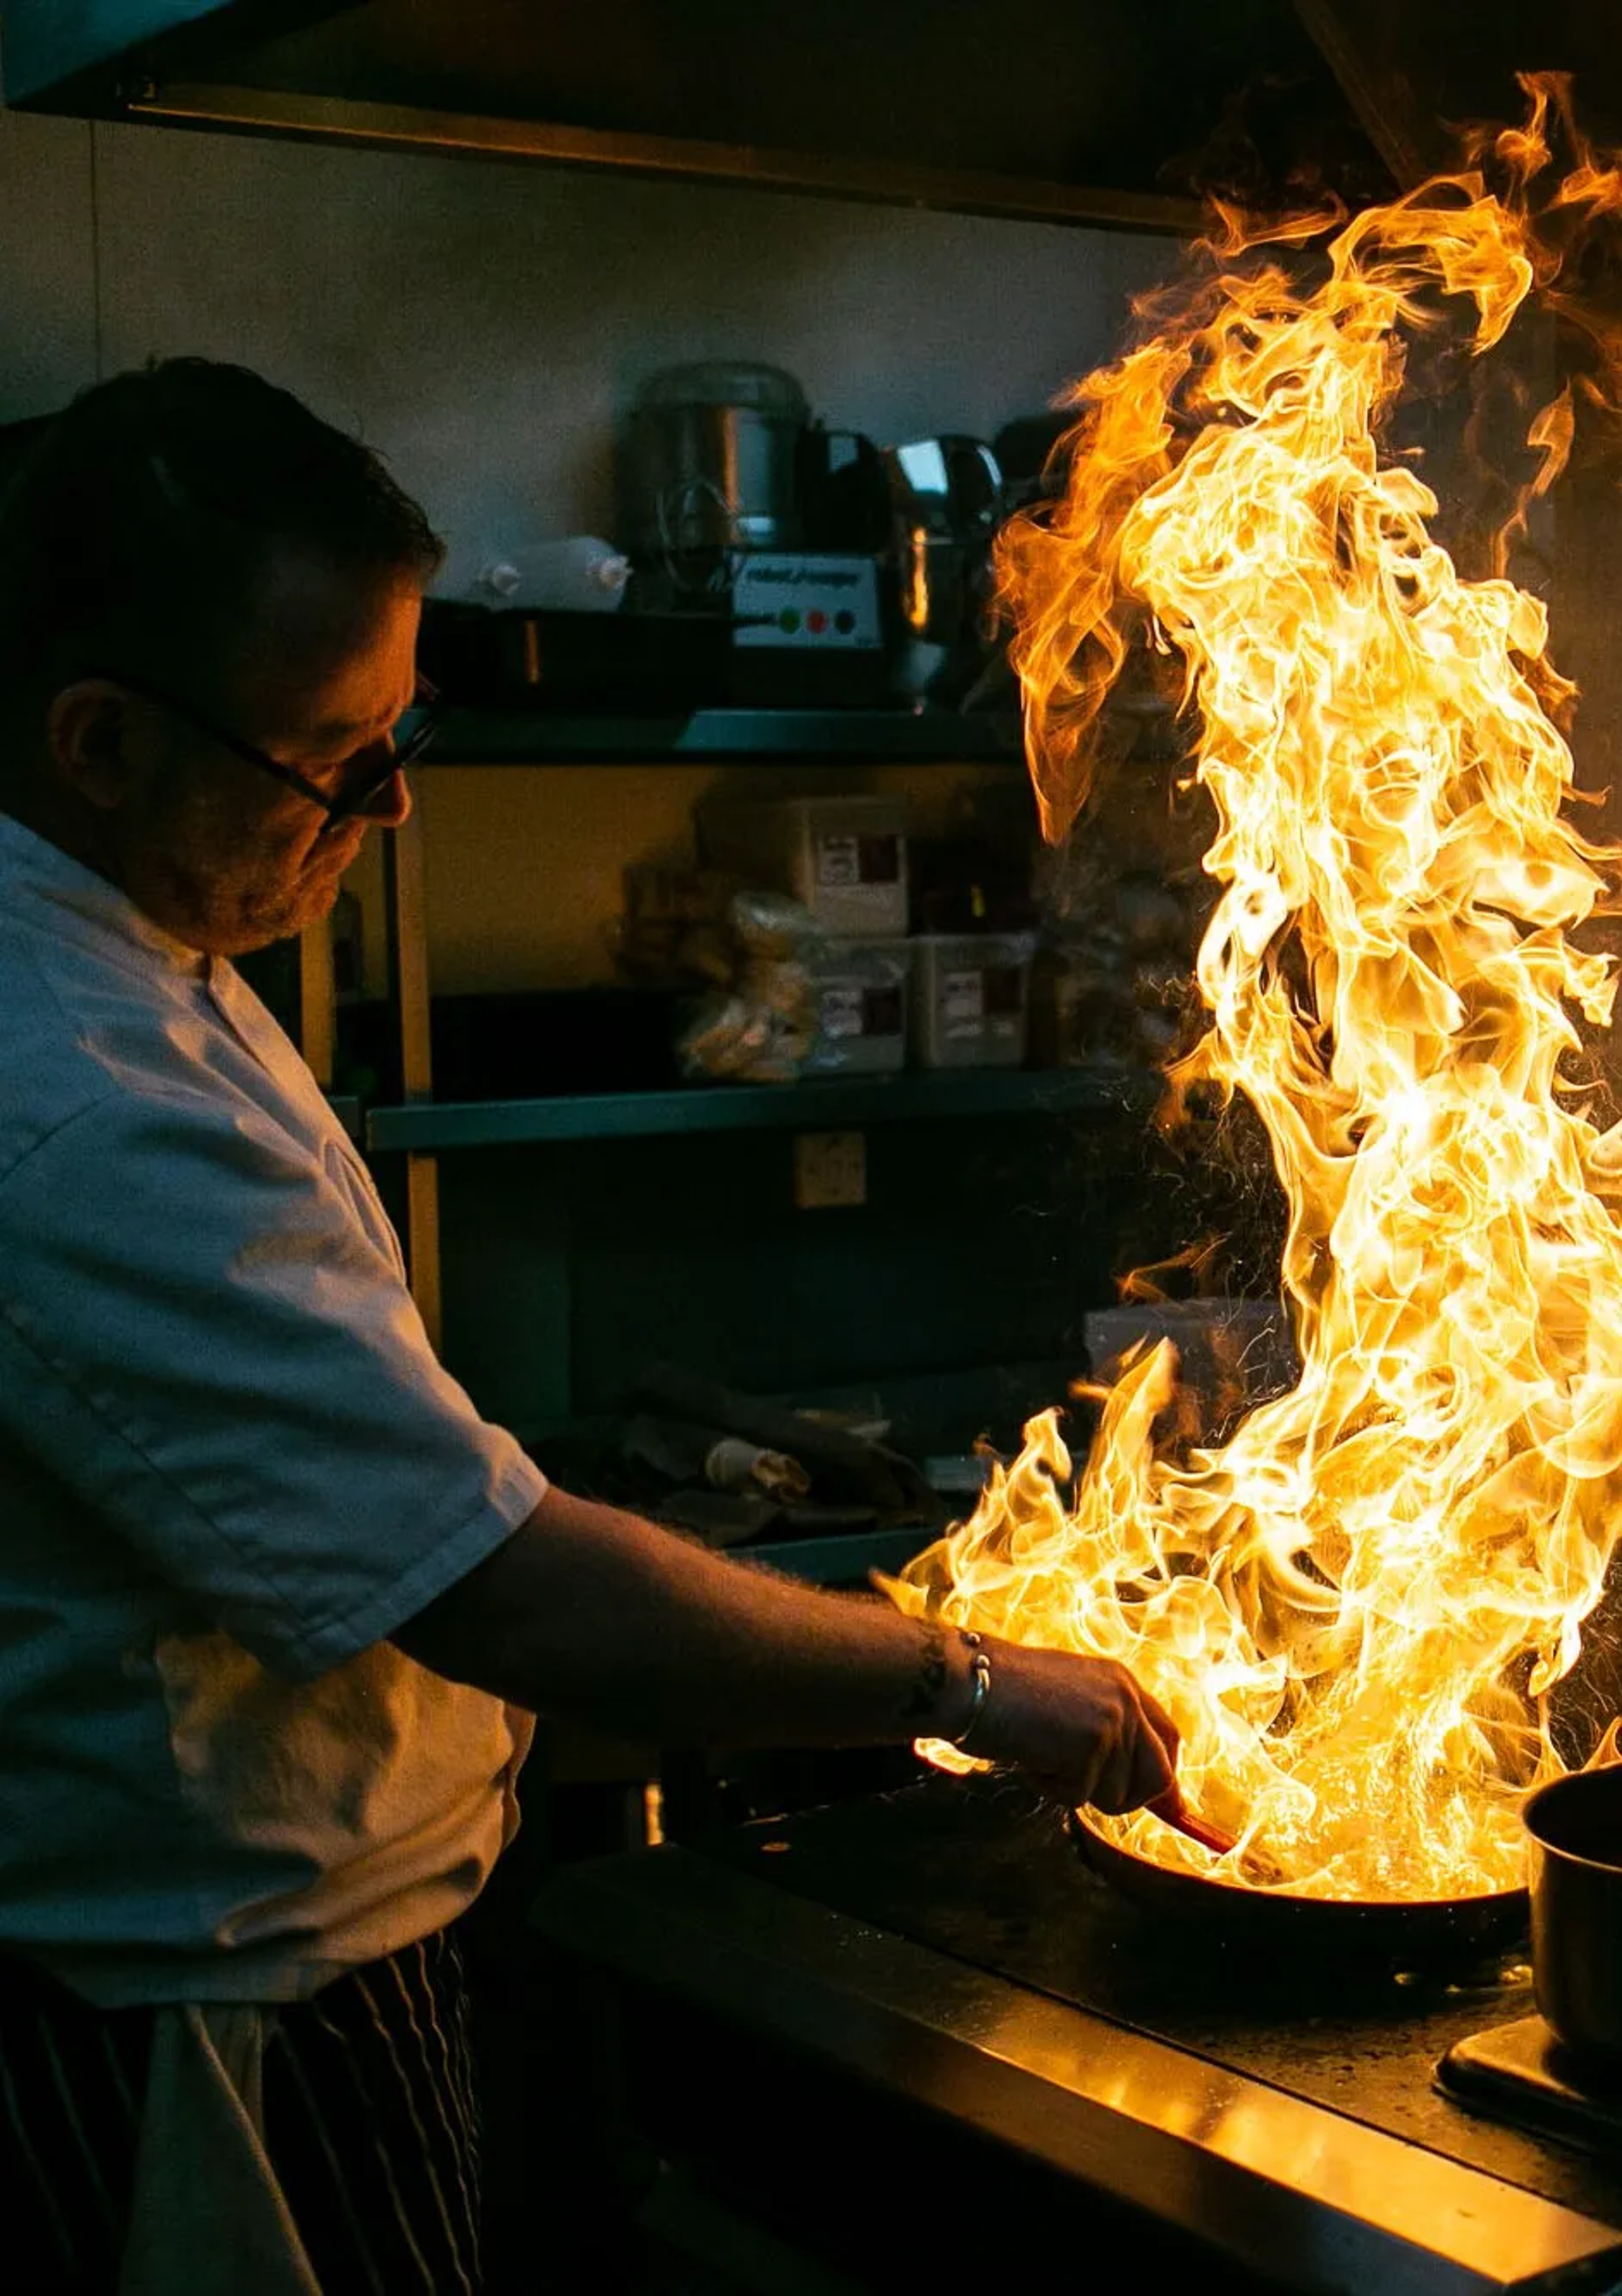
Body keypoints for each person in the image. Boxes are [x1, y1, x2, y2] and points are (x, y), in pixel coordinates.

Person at [0, 358, 1178, 2295]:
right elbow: (504, 1593)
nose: (388, 810)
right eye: (341, 759)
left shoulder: (133, 944)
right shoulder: (70, 1092)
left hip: (269, 1959)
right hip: (188, 2034)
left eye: (414, 735)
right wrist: (969, 1682)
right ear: (102, 741)